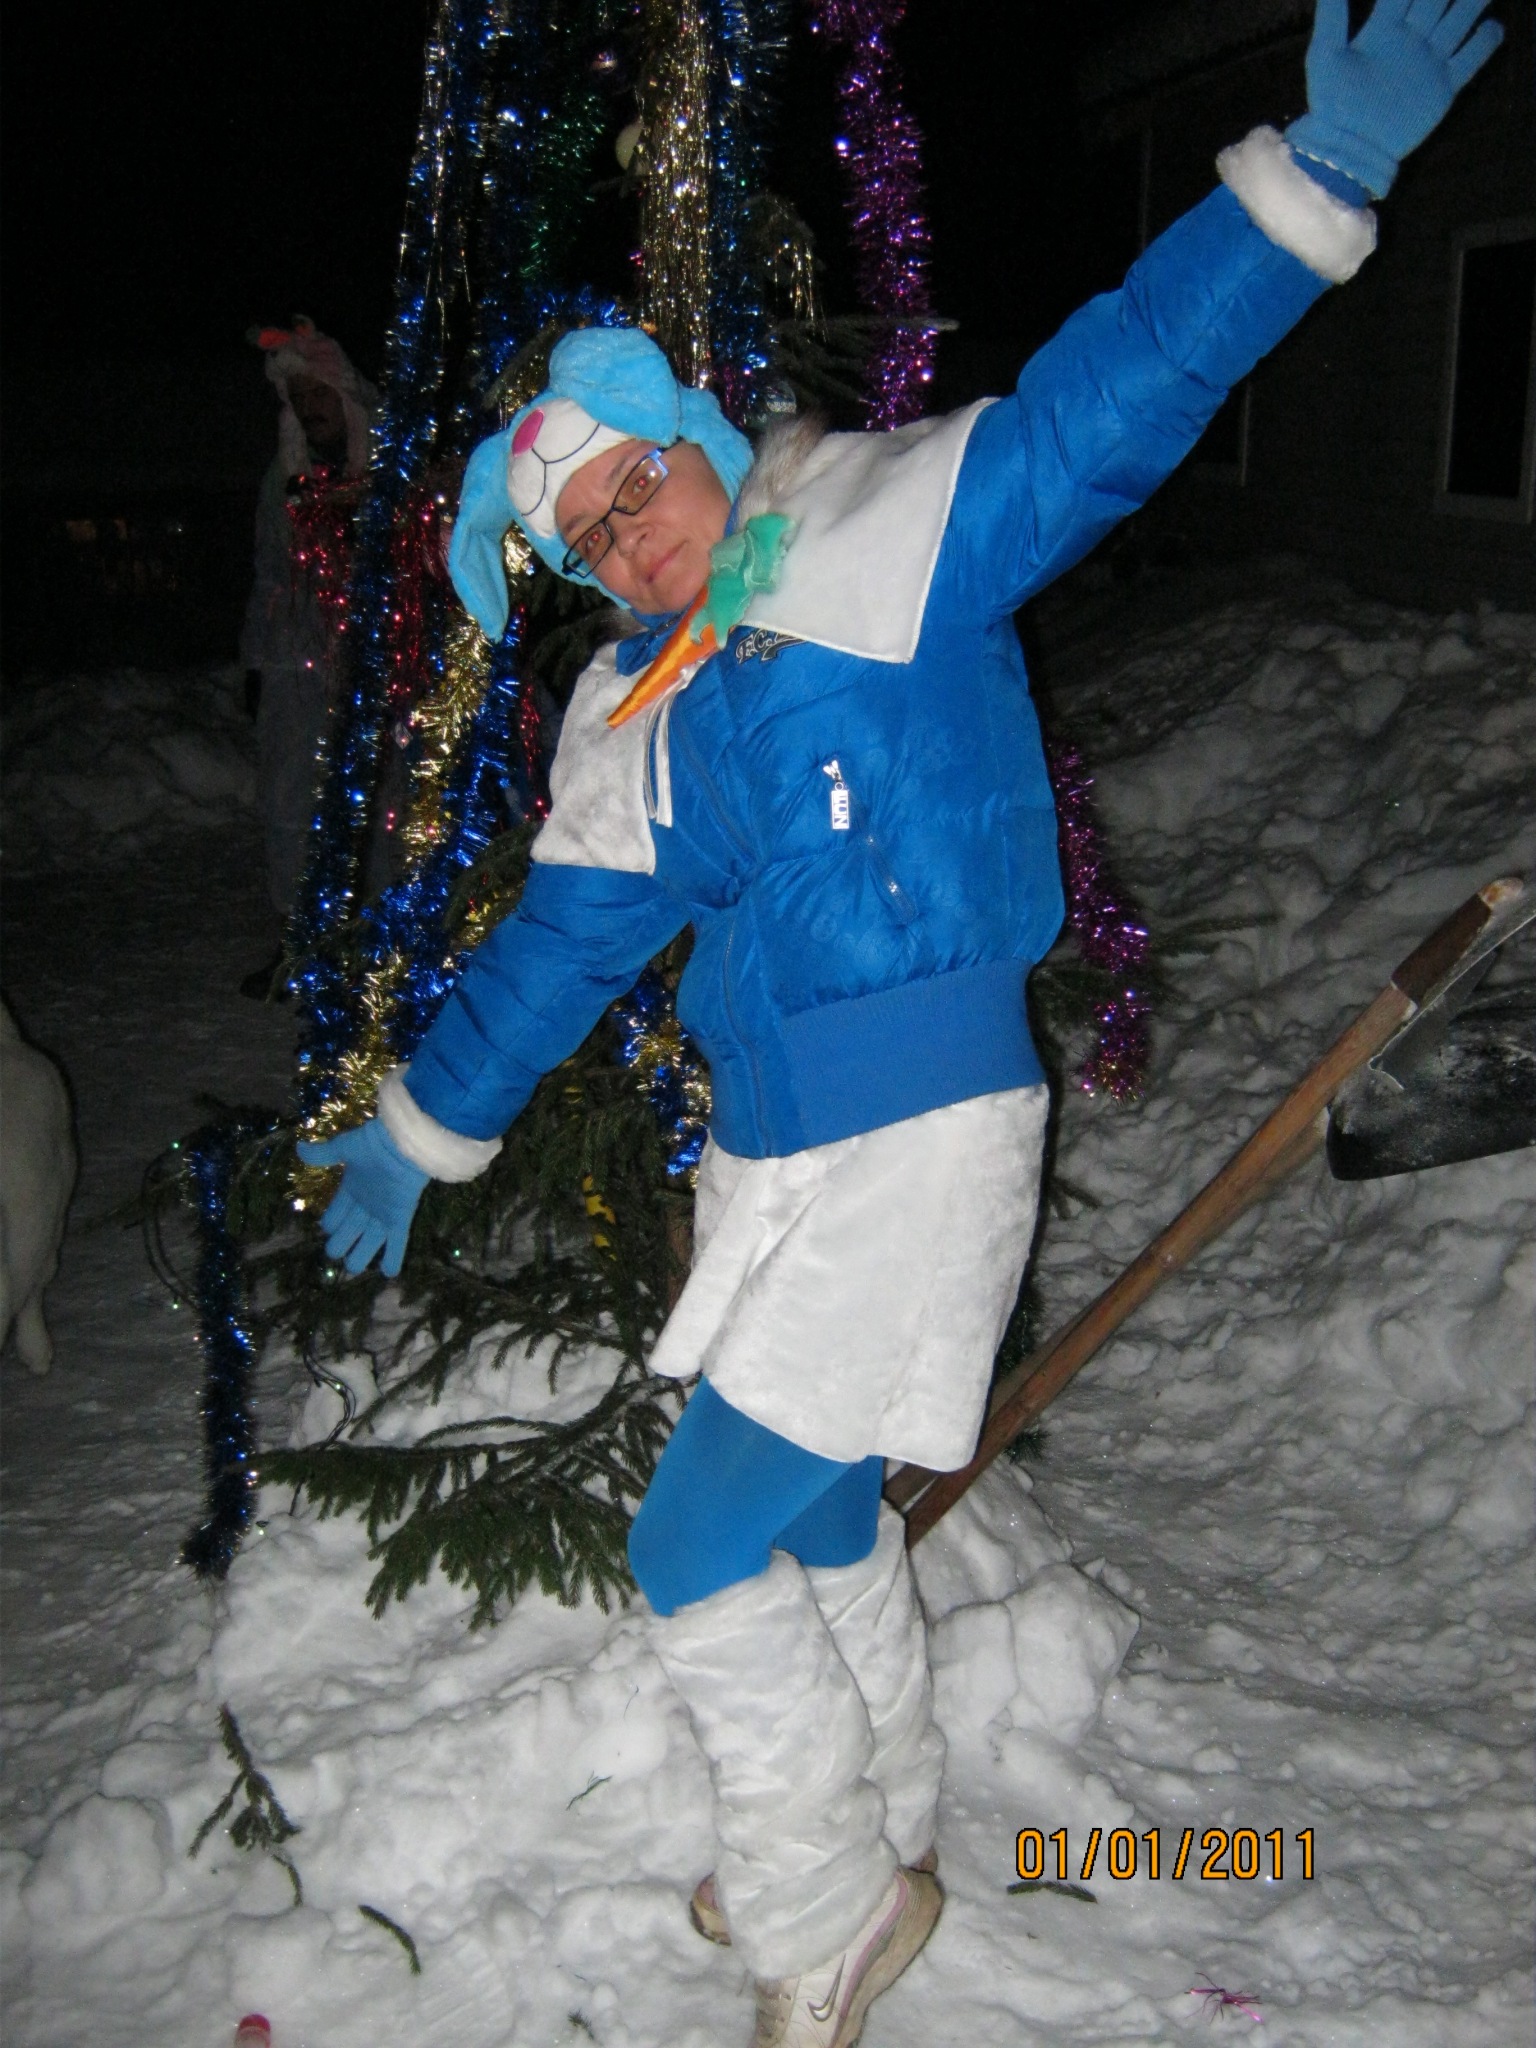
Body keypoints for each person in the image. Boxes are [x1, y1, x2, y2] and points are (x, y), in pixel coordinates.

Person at [299, 7, 1502, 2041]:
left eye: (641, 487)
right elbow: (559, 949)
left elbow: (1115, 393)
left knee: (690, 1546)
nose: (631, 537)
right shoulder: (647, 716)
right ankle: (871, 1823)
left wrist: (1310, 186)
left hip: (923, 1132)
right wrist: (429, 1120)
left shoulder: (890, 535)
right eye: (590, 538)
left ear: (701, 433)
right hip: (777, 1152)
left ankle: (823, 1907)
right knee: (818, 1508)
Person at [239, 318, 377, 992]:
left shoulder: (388, 469)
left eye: (319, 394)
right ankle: (301, 940)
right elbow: (269, 572)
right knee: (292, 799)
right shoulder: (284, 480)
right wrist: (257, 662)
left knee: (382, 804)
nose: (311, 409)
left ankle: (377, 944)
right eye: (299, 400)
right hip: (298, 665)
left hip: (377, 662)